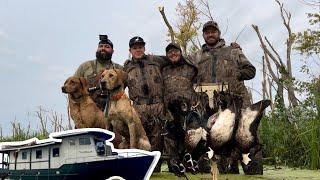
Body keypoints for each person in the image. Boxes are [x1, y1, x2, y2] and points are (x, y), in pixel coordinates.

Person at [190, 20, 260, 175]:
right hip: (209, 105)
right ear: (203, 35)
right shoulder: (196, 56)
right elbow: (180, 66)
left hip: (235, 102)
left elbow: (250, 70)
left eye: (213, 31)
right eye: (207, 32)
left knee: (245, 136)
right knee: (216, 140)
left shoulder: (233, 51)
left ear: (218, 33)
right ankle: (223, 170)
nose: (210, 34)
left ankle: (252, 171)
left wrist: (235, 74)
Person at [123, 36, 172, 172]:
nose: (138, 50)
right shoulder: (126, 67)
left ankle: (155, 169)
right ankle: (142, 168)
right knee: (141, 138)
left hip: (158, 105)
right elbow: (119, 87)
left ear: (144, 48)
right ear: (130, 50)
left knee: (159, 137)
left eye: (140, 47)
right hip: (139, 108)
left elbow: (174, 57)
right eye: (135, 48)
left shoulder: (156, 60)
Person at [161, 43, 198, 175]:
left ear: (180, 52)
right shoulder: (163, 69)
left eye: (175, 51)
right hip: (170, 112)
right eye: (169, 52)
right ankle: (174, 167)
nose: (173, 54)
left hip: (187, 111)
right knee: (171, 139)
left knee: (189, 140)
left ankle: (192, 165)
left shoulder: (191, 68)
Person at [74, 35, 123, 111]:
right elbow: (73, 87)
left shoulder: (119, 69)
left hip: (113, 111)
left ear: (112, 51)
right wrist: (76, 111)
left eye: (107, 46)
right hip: (89, 110)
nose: (103, 48)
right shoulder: (85, 66)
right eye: (100, 46)